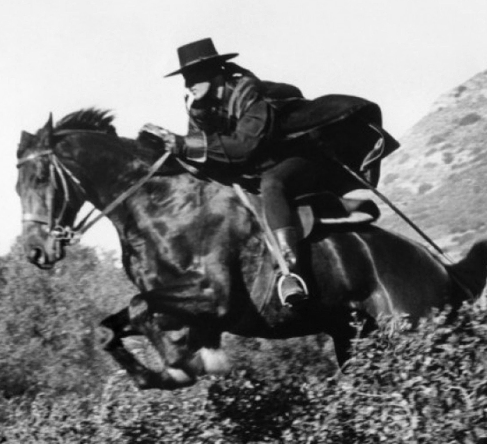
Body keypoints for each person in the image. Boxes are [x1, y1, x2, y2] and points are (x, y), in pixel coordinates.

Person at [142, 38, 397, 307]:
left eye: (193, 75)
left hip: (298, 157)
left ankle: (292, 273)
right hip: (253, 167)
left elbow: (244, 146)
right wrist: (169, 150)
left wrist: (182, 143)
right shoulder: (198, 108)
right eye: (185, 77)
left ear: (215, 73)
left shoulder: (248, 93)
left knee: (272, 183)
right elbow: (203, 155)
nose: (188, 84)